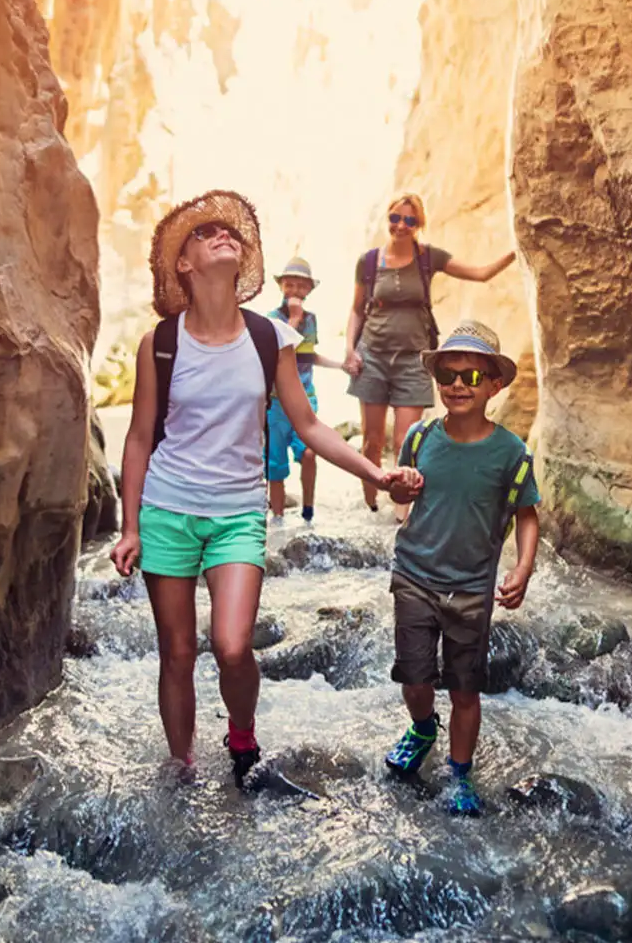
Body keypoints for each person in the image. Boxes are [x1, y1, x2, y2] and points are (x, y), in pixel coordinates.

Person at [111, 190, 421, 783]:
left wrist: (374, 472)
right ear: (185, 264)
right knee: (176, 653)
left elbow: (307, 425)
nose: (221, 235)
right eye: (204, 234)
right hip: (166, 509)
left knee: (231, 646)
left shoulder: (270, 337)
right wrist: (129, 526)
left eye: (229, 232)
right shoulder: (161, 341)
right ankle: (180, 769)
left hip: (236, 513)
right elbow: (138, 438)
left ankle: (241, 732)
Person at [380, 320, 540, 816]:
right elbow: (400, 496)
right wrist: (399, 491)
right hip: (413, 575)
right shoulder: (421, 435)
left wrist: (523, 568)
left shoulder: (511, 453)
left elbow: (527, 515)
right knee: (414, 677)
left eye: (471, 377)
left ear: (494, 385)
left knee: (466, 688)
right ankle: (423, 726)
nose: (456, 385)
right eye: (448, 374)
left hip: (471, 589)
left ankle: (461, 774)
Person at [343, 193, 516, 521]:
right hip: (373, 357)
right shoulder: (368, 262)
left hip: (412, 359)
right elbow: (355, 311)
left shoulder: (428, 258)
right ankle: (370, 509)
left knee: (406, 442)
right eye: (395, 218)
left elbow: (480, 274)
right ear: (388, 218)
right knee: (372, 443)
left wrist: (516, 249)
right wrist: (350, 349)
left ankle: (400, 519)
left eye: (410, 220)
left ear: (419, 225)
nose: (401, 225)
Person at [264, 255, 340, 527]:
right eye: (289, 285)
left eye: (300, 286)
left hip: (306, 399)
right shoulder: (272, 320)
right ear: (281, 287)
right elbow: (275, 352)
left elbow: (309, 356)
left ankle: (308, 512)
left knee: (309, 452)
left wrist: (341, 366)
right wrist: (293, 319)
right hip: (275, 403)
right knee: (275, 465)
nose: (294, 291)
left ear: (308, 290)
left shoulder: (312, 320)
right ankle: (278, 518)